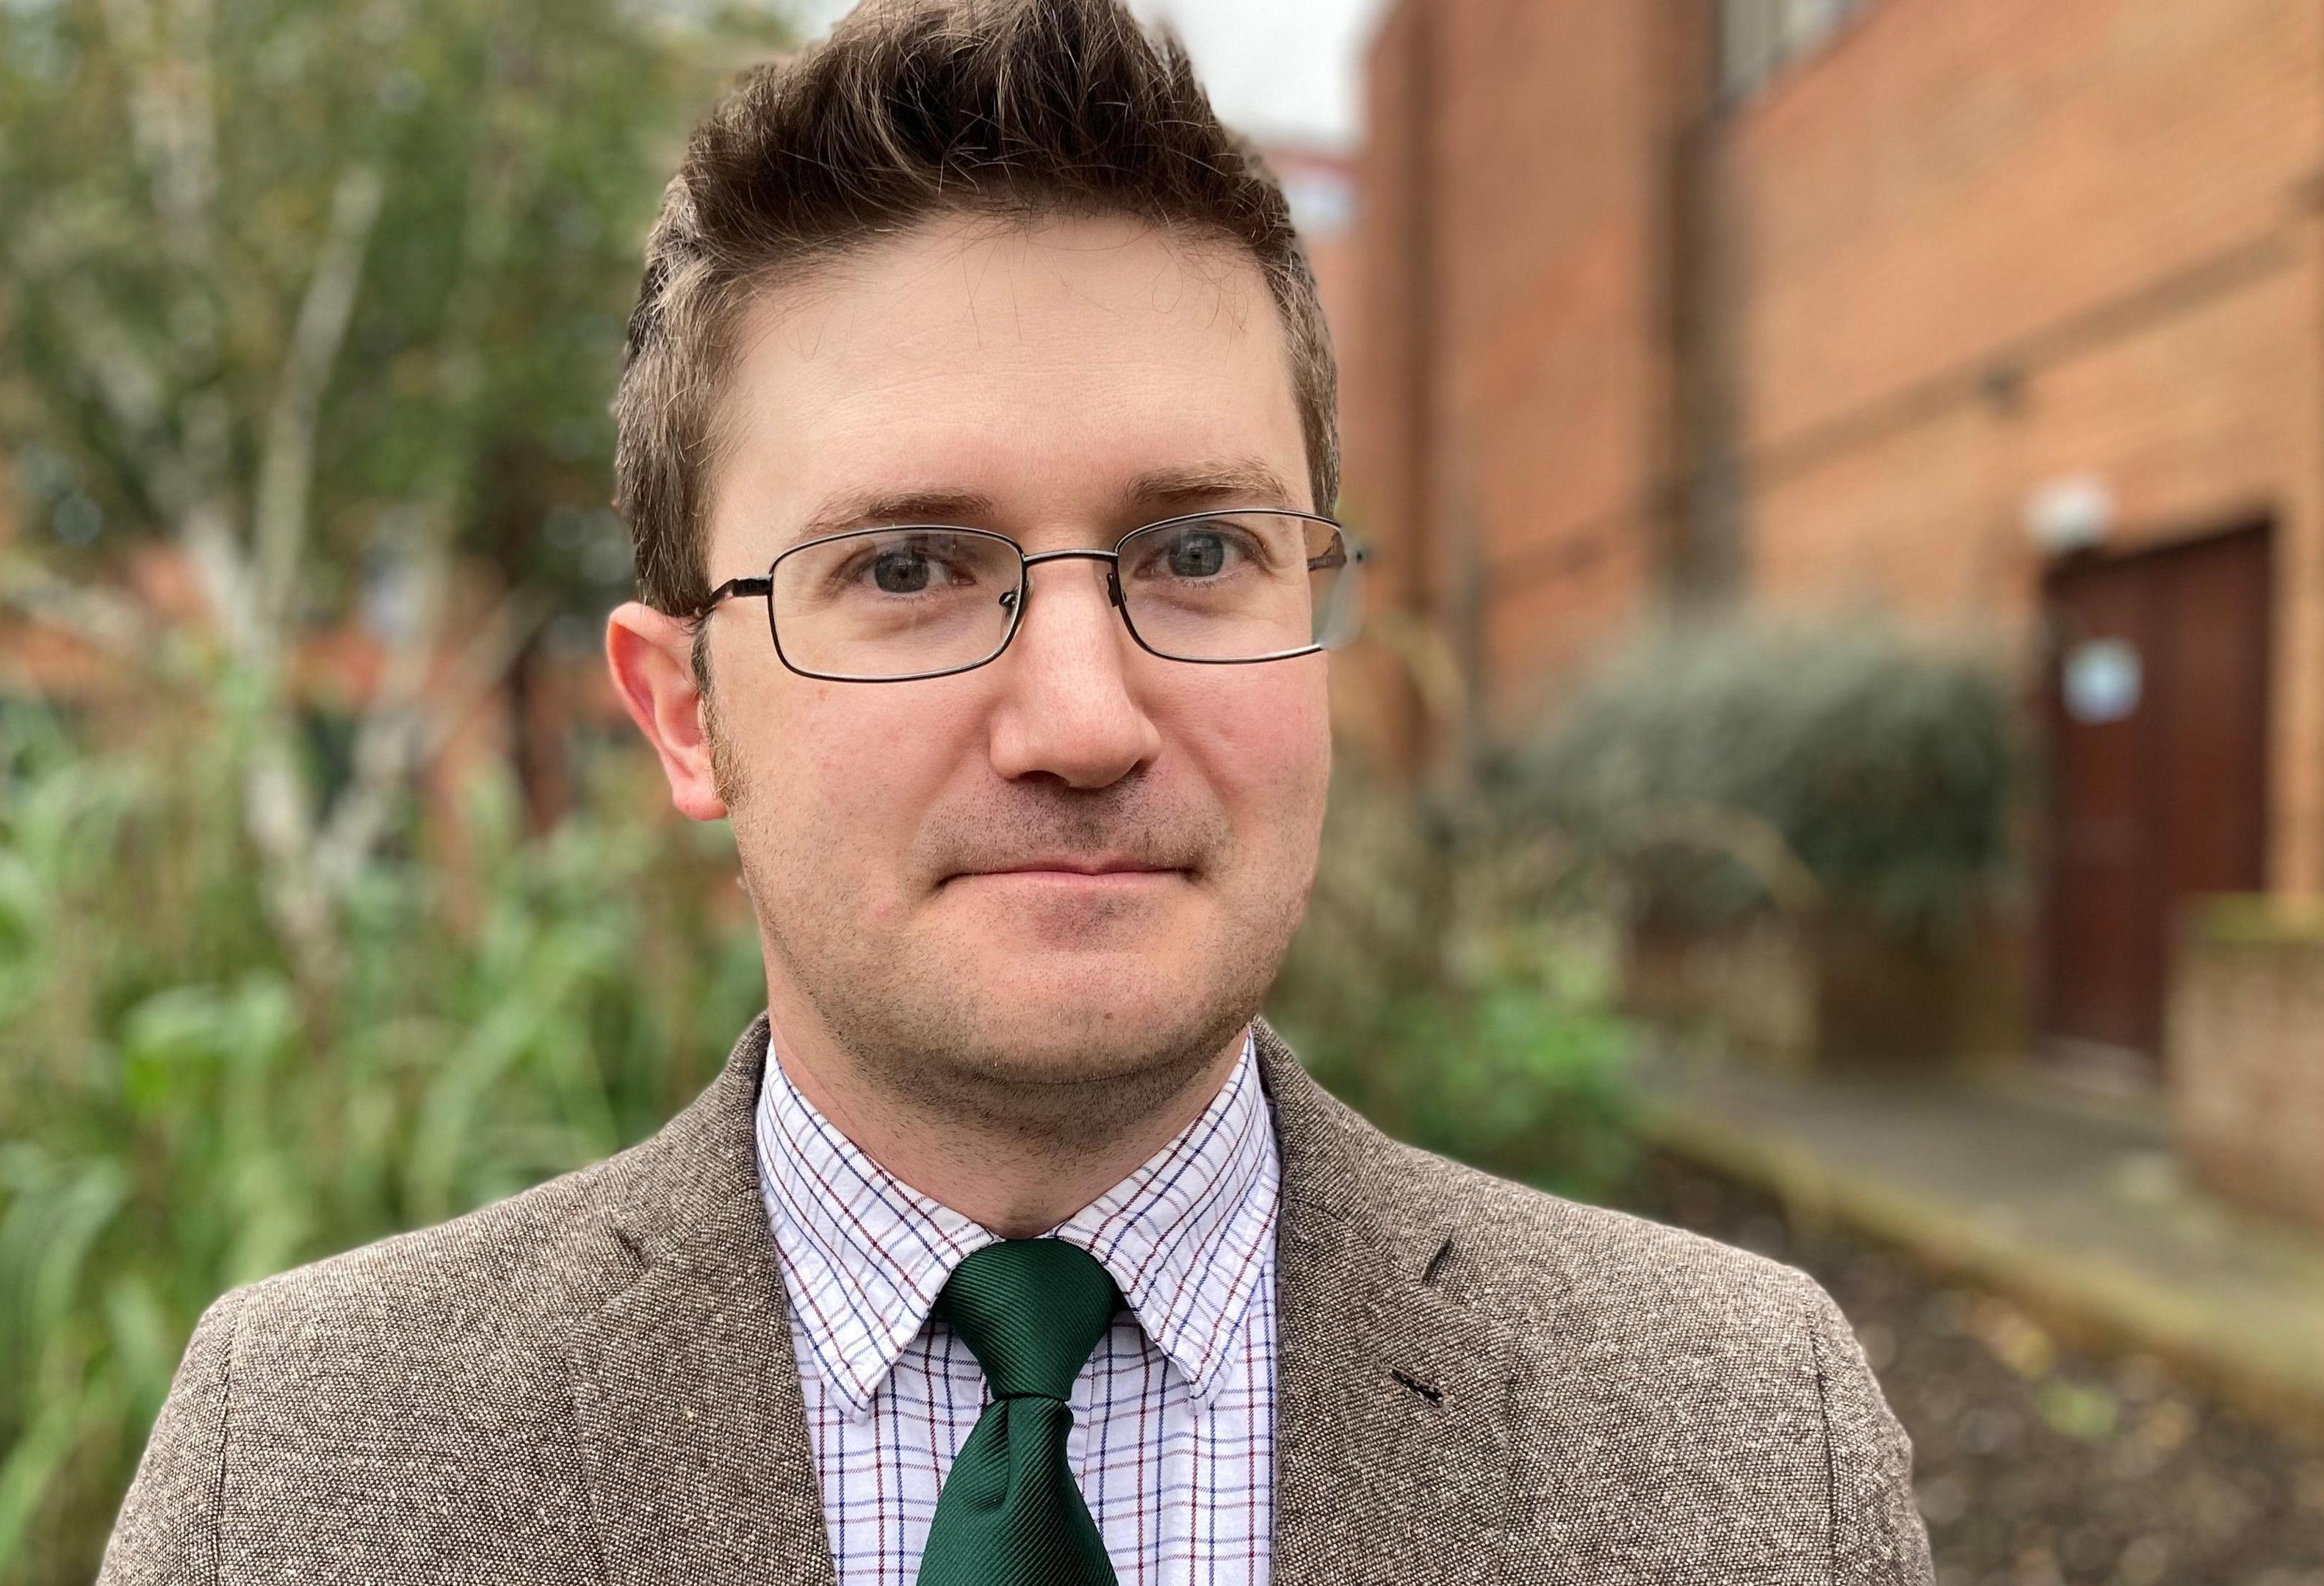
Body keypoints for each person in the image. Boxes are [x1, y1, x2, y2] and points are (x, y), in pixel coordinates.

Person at [97, 0, 1933, 1580]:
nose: (1083, 718)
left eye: (1200, 548)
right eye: (906, 571)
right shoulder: (303, 1469)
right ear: (679, 713)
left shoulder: (1753, 1446)